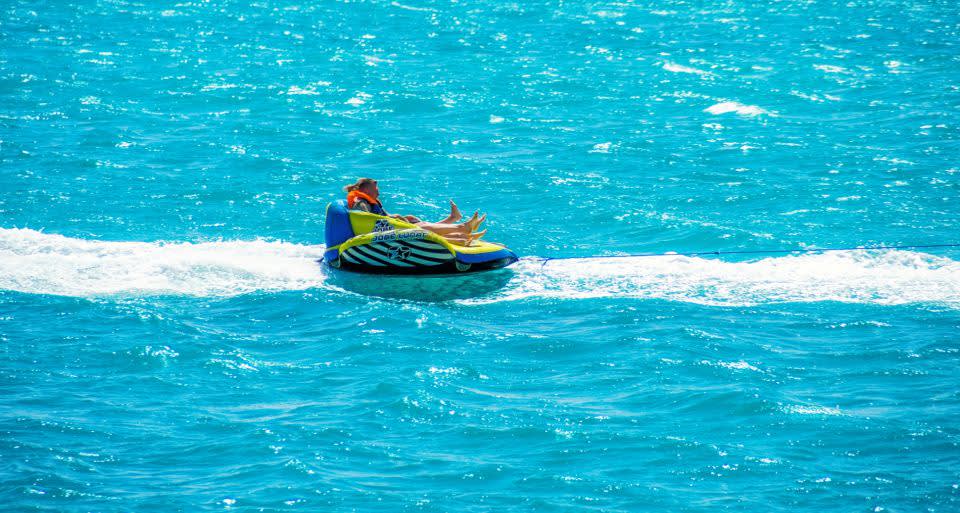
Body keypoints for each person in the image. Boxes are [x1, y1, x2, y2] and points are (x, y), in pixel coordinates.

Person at [342, 178, 486, 245]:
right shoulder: (360, 202)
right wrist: (394, 219)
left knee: (413, 220)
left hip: (386, 228)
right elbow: (366, 219)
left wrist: (395, 217)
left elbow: (381, 216)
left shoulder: (369, 200)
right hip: (380, 232)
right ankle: (462, 228)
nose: (379, 193)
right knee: (419, 227)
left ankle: (459, 232)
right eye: (376, 189)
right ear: (367, 190)